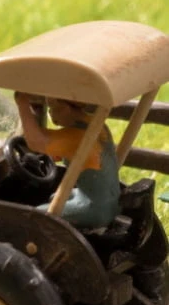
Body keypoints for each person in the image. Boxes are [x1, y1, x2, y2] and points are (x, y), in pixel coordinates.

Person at [14, 91, 121, 228]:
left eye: (52, 109)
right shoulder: (94, 125)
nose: (51, 114)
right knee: (53, 197)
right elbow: (68, 153)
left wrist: (22, 102)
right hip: (110, 201)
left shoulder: (77, 137)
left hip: (95, 208)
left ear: (65, 108)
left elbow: (36, 142)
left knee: (35, 215)